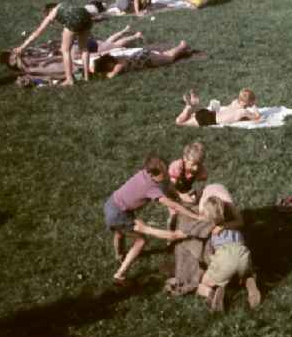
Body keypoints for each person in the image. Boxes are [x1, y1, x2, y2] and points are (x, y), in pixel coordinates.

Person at [104, 156, 200, 286]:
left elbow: (166, 184)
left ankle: (120, 255)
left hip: (111, 203)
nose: (166, 176)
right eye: (163, 174)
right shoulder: (151, 189)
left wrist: (179, 194)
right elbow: (174, 205)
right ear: (152, 174)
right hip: (119, 214)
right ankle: (120, 274)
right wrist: (195, 216)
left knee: (119, 232)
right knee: (141, 241)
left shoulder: (143, 174)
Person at [196, 194, 261, 311]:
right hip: (243, 254)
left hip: (225, 257)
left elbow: (209, 254)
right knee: (246, 273)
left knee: (202, 283)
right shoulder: (233, 227)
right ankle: (250, 282)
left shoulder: (212, 232)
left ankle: (211, 292)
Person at [13, 2, 94, 87]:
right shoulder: (64, 5)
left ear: (50, 10)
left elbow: (37, 32)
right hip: (86, 16)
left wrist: (22, 47)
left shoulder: (54, 12)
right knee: (84, 48)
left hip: (74, 19)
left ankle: (69, 80)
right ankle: (86, 77)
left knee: (65, 50)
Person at [92, 40, 191, 79]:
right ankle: (182, 52)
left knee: (168, 58)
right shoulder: (113, 58)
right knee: (164, 55)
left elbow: (112, 75)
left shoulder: (118, 65)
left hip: (144, 58)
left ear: (107, 64)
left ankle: (182, 47)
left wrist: (103, 74)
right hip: (141, 55)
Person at [175, 88, 261, 127]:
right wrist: (254, 107)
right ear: (249, 102)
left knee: (181, 120)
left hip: (208, 113)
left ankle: (190, 107)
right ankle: (189, 106)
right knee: (180, 123)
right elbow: (257, 117)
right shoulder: (243, 112)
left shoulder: (235, 102)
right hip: (209, 119)